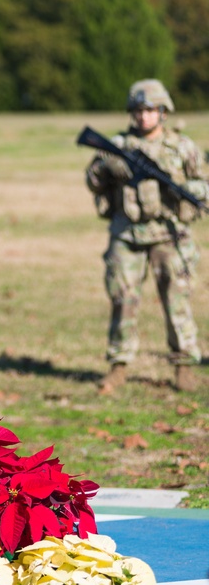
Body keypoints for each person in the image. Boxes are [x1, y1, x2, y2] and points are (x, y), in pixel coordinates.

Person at [85, 79, 207, 393]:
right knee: (122, 300)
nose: (143, 116)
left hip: (169, 234)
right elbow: (92, 179)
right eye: (138, 110)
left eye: (151, 110)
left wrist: (183, 189)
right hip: (127, 235)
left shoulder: (181, 147)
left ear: (163, 112)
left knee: (176, 300)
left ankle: (184, 367)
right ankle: (119, 366)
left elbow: (204, 185)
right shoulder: (118, 145)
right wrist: (109, 168)